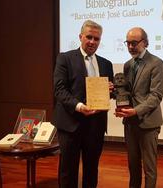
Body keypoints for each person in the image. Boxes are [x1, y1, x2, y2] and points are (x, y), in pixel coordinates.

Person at [53, 20, 114, 188]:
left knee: (91, 169)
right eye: (89, 37)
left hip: (96, 126)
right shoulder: (65, 58)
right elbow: (59, 90)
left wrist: (111, 89)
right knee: (68, 171)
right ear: (80, 37)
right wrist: (79, 106)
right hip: (70, 123)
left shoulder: (105, 64)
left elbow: (112, 93)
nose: (92, 42)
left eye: (97, 38)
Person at [115, 27, 163, 188]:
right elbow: (127, 93)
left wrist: (135, 111)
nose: (130, 47)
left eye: (134, 43)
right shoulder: (127, 65)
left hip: (148, 123)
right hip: (130, 123)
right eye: (128, 43)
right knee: (133, 166)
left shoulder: (156, 63)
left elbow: (156, 96)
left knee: (149, 168)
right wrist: (113, 92)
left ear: (145, 42)